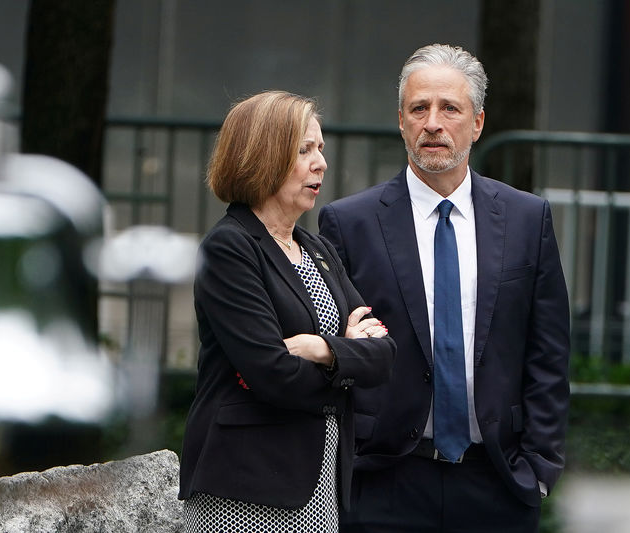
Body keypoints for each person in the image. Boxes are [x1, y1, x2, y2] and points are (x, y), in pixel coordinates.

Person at [318, 44, 570, 532]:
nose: (433, 123)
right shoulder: (349, 223)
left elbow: (549, 350)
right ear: (401, 121)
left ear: (476, 123)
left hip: (497, 480)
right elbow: (337, 349)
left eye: (449, 108)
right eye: (419, 108)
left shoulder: (525, 218)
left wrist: (539, 468)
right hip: (384, 481)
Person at [179, 90, 397, 532]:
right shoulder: (230, 247)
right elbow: (271, 372)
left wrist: (322, 349)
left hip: (320, 487)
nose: (321, 163)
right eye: (305, 150)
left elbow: (385, 353)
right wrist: (347, 358)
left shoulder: (315, 248)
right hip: (246, 487)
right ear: (263, 156)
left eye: (321, 149)